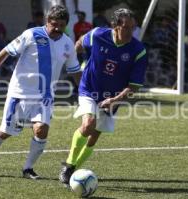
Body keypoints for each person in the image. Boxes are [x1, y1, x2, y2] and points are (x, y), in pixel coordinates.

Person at [0, 5, 81, 179]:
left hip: (44, 96)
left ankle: (27, 168)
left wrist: (82, 91)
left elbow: (75, 70)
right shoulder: (31, 34)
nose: (57, 29)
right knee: (6, 132)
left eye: (61, 26)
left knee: (41, 130)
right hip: (20, 92)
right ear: (47, 21)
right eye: (54, 24)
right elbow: (6, 51)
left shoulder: (68, 43)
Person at [59, 8, 147, 184]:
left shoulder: (139, 50)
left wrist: (114, 100)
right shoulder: (97, 34)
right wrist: (75, 64)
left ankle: (74, 166)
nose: (131, 32)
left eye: (133, 27)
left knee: (94, 137)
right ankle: (68, 166)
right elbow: (79, 44)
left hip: (113, 97)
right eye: (126, 27)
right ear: (115, 26)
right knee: (88, 125)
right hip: (89, 88)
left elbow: (133, 86)